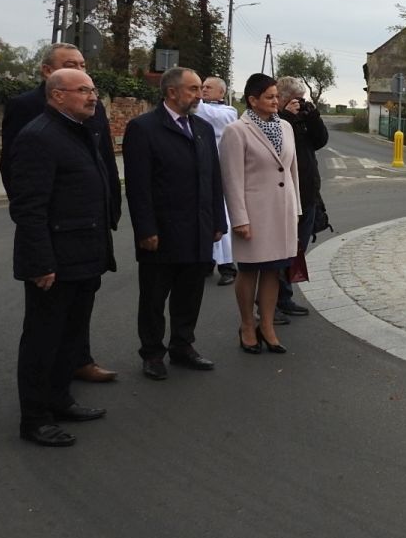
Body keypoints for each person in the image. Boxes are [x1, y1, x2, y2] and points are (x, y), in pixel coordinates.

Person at [1, 42, 119, 384]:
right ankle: (41, 405)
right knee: (47, 324)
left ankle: (73, 371)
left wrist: (110, 207)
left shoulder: (88, 111)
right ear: (49, 76)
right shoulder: (30, 115)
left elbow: (105, 159)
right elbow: (18, 172)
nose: (90, 91)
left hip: (89, 229)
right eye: (72, 66)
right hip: (55, 230)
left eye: (85, 67)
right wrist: (34, 237)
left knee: (78, 309)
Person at [123, 67, 227, 380]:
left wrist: (218, 220)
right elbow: (138, 186)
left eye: (200, 89)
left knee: (190, 293)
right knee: (154, 297)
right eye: (193, 89)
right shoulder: (143, 128)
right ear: (171, 92)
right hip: (162, 231)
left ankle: (183, 345)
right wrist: (146, 229)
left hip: (198, 228)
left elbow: (214, 179)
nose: (199, 95)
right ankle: (152, 353)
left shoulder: (203, 129)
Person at [219, 73, 301, 355]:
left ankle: (267, 326)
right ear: (253, 100)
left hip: (282, 212)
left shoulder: (286, 128)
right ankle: (246, 325)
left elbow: (291, 172)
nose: (276, 101)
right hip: (254, 214)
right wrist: (239, 217)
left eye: (277, 96)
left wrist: (296, 208)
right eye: (269, 97)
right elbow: (232, 179)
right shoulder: (236, 131)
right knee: (250, 271)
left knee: (273, 271)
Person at [275, 76, 329, 318]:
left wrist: (312, 116)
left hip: (307, 193)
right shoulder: (275, 121)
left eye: (302, 99)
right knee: (280, 252)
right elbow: (278, 147)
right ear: (284, 100)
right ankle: (271, 301)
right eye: (297, 100)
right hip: (285, 196)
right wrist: (287, 117)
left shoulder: (304, 120)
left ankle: (284, 297)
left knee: (297, 250)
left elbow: (321, 141)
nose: (301, 104)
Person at [197, 76, 240, 287]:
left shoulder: (228, 112)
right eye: (200, 87)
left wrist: (190, 95)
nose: (203, 90)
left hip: (221, 173)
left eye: (207, 87)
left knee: (222, 220)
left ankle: (227, 266)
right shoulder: (196, 109)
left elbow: (207, 113)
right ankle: (206, 260)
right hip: (199, 172)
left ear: (221, 93)